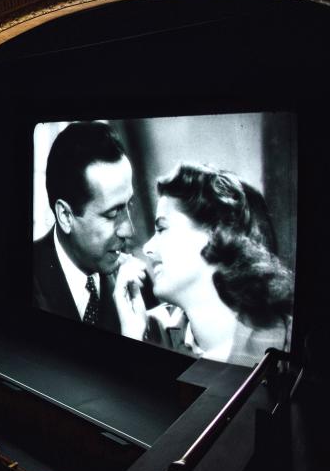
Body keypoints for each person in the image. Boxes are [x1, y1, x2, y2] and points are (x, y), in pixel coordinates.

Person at [113, 163, 294, 366]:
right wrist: (131, 339)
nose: (147, 247)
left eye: (162, 228)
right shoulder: (150, 333)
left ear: (217, 233)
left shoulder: (289, 344)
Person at [33, 121, 134, 333]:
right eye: (113, 213)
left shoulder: (136, 284)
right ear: (66, 216)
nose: (129, 231)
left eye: (129, 206)